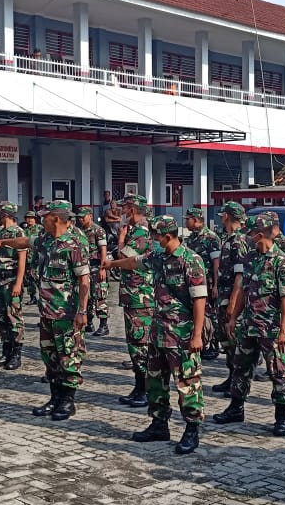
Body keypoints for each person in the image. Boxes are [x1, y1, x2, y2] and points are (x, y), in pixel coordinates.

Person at [108, 215, 208, 454]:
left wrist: (197, 335)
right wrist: (111, 264)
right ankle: (158, 424)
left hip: (182, 334)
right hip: (158, 331)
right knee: (155, 380)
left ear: (168, 236)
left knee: (187, 382)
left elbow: (199, 300)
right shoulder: (158, 257)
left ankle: (192, 429)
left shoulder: (190, 261)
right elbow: (134, 262)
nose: (152, 240)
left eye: (156, 236)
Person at [0, 200, 89, 420]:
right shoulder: (46, 240)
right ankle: (55, 398)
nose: (41, 220)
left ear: (56, 218)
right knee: (50, 357)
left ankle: (68, 401)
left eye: (45, 217)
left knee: (69, 357)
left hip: (66, 313)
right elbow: (25, 242)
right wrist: (2, 242)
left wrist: (82, 311)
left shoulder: (74, 244)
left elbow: (84, 280)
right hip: (47, 311)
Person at [214, 212, 285, 437]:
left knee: (278, 372)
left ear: (259, 234)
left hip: (272, 328)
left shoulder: (282, 262)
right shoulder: (250, 258)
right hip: (249, 325)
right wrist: (233, 317)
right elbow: (243, 291)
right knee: (241, 367)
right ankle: (236, 408)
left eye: (250, 233)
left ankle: (281, 417)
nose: (247, 236)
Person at [116, 195, 155, 407]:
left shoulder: (140, 231)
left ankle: (145, 389)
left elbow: (126, 260)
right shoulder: (137, 230)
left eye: (124, 208)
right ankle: (140, 387)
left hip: (140, 297)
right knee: (135, 344)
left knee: (140, 344)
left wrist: (121, 237)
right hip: (133, 296)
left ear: (131, 210)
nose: (121, 213)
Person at [211, 202, 250, 396]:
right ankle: (231, 377)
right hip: (224, 297)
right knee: (225, 341)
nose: (220, 218)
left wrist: (233, 304)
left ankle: (238, 383)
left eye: (222, 215)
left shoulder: (238, 241)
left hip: (230, 298)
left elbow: (240, 277)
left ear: (227, 216)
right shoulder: (228, 238)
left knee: (233, 341)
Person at [183, 207, 221, 361]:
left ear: (196, 220)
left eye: (188, 219)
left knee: (210, 314)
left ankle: (213, 343)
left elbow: (216, 263)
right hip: (194, 282)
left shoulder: (210, 237)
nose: (186, 222)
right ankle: (202, 341)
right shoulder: (192, 238)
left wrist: (216, 285)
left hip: (208, 282)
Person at [0, 202, 27, 369]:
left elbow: (22, 261)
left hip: (11, 279)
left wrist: (18, 284)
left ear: (5, 214)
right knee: (1, 318)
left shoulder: (19, 233)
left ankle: (16, 354)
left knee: (14, 318)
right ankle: (6, 351)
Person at [77, 206, 110, 337]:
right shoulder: (79, 231)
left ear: (90, 216)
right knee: (87, 295)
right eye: (79, 217)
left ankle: (104, 325)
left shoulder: (98, 230)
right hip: (85, 267)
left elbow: (103, 250)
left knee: (100, 295)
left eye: (83, 217)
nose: (80, 220)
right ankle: (89, 322)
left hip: (96, 266)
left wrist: (103, 268)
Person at [22, 210, 42, 305]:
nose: (29, 220)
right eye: (28, 218)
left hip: (37, 258)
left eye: (31, 218)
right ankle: (32, 297)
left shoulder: (40, 229)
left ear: (35, 219)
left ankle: (43, 296)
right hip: (27, 258)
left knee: (38, 278)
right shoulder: (24, 231)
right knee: (29, 279)